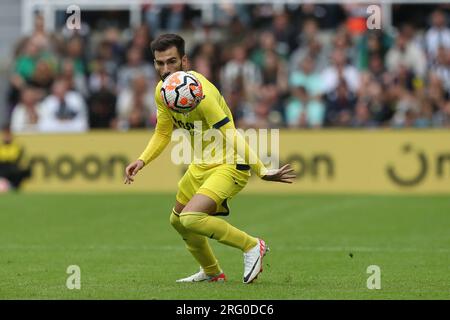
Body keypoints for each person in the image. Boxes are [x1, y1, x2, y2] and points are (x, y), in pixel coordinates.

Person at [123, 34, 295, 284]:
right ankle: (213, 273)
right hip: (201, 165)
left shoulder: (202, 94)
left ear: (184, 61)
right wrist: (142, 160)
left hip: (230, 164)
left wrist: (261, 170)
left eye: (171, 62)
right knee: (178, 221)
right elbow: (163, 131)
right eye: (159, 63)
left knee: (191, 218)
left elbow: (231, 134)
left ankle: (251, 246)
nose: (165, 69)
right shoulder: (163, 92)